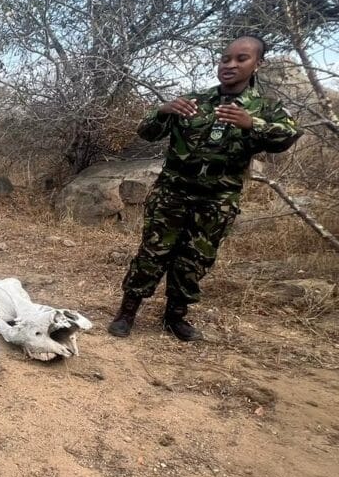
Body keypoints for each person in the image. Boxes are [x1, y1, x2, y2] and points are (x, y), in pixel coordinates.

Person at [108, 35, 302, 341]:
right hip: (172, 192)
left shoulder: (266, 107)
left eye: (241, 59)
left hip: (217, 199)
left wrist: (253, 123)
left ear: (258, 64)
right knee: (152, 253)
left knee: (195, 258)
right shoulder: (194, 101)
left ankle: (175, 317)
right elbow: (146, 132)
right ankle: (127, 312)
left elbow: (288, 137)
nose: (230, 65)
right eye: (225, 58)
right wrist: (162, 111)